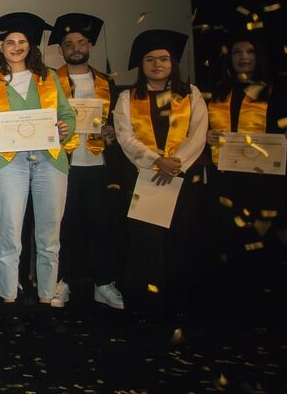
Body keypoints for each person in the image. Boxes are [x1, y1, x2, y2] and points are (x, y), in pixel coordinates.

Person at [0, 13, 75, 330]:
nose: (16, 47)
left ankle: (46, 301)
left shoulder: (49, 78)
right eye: (10, 42)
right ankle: (8, 302)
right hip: (10, 163)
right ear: (1, 48)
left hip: (50, 161)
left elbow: (68, 116)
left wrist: (65, 128)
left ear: (30, 46)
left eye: (21, 42)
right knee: (9, 236)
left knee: (49, 237)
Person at [114, 30, 209, 319]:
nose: (158, 65)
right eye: (150, 59)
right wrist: (157, 161)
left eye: (164, 59)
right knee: (146, 241)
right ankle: (145, 305)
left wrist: (176, 164)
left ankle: (180, 303)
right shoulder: (128, 97)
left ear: (173, 63)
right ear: (141, 65)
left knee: (180, 238)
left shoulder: (191, 93)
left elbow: (198, 133)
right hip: (145, 177)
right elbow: (125, 136)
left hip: (182, 178)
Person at [49, 14, 125, 310]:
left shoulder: (107, 83)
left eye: (81, 42)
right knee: (63, 226)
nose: (75, 48)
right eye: (69, 44)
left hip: (98, 163)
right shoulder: (49, 81)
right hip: (62, 164)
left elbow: (121, 122)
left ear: (90, 45)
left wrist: (112, 132)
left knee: (102, 226)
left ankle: (103, 283)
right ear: (61, 50)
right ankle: (62, 281)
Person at [206, 32, 284, 286]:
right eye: (237, 52)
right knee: (229, 235)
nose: (244, 57)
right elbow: (206, 129)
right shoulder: (218, 92)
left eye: (250, 52)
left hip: (263, 180)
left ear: (258, 57)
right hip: (226, 178)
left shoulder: (274, 91)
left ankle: (263, 289)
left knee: (260, 236)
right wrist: (208, 136)